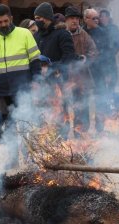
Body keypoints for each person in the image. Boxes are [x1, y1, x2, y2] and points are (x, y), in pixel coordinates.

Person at [0, 4, 41, 146]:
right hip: (2, 89)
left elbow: (35, 60)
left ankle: (26, 152)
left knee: (23, 121)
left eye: (6, 21)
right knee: (7, 121)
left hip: (23, 88)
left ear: (11, 18)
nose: (3, 25)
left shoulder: (24, 34)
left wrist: (37, 81)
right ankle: (10, 154)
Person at [33, 2, 77, 140]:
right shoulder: (37, 36)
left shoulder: (62, 34)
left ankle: (61, 141)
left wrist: (52, 67)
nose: (37, 21)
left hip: (59, 82)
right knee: (42, 114)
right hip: (41, 83)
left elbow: (69, 57)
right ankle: (44, 140)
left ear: (47, 18)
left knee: (60, 114)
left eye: (40, 17)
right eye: (35, 18)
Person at [65, 6, 97, 138]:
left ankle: (81, 133)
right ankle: (62, 133)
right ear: (66, 20)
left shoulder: (83, 34)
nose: (75, 21)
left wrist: (86, 59)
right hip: (65, 78)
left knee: (81, 105)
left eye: (77, 18)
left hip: (81, 78)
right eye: (72, 18)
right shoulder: (61, 33)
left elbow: (93, 51)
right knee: (63, 106)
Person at [84, 8, 110, 136]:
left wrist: (107, 72)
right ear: (86, 19)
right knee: (83, 100)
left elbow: (107, 53)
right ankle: (83, 128)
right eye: (93, 18)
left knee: (100, 99)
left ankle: (100, 128)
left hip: (99, 70)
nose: (96, 20)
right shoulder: (82, 32)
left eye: (97, 18)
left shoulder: (102, 32)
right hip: (84, 71)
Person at [99, 9, 119, 119]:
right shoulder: (98, 29)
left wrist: (111, 52)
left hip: (111, 61)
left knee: (111, 87)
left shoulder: (114, 28)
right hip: (99, 62)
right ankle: (104, 110)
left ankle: (113, 112)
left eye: (105, 16)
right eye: (101, 16)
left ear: (108, 17)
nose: (103, 18)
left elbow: (118, 43)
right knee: (101, 88)